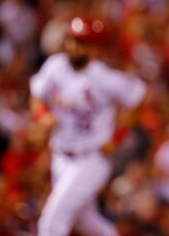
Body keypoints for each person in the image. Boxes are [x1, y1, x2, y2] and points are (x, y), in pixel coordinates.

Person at [30, 16, 147, 236]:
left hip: (91, 160)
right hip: (61, 156)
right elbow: (36, 94)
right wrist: (42, 115)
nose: (73, 47)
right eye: (72, 40)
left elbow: (137, 97)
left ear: (93, 48)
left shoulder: (103, 77)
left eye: (81, 42)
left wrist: (117, 137)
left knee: (51, 223)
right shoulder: (56, 66)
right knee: (88, 223)